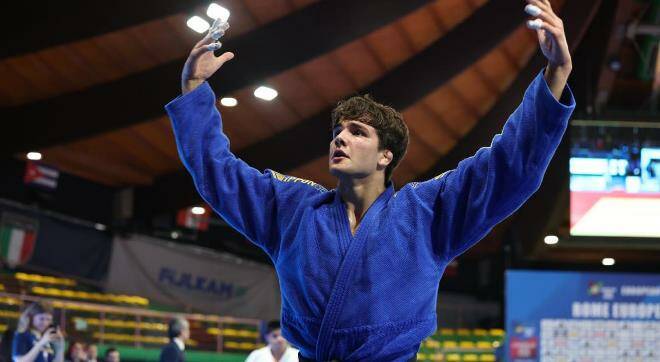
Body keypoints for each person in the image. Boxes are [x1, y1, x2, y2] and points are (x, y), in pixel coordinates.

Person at [165, 0, 575, 360]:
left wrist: (555, 74)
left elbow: (508, 168)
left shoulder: (428, 212)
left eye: (357, 131)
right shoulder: (291, 210)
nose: (340, 137)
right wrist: (194, 90)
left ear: (386, 156)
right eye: (337, 131)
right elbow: (218, 173)